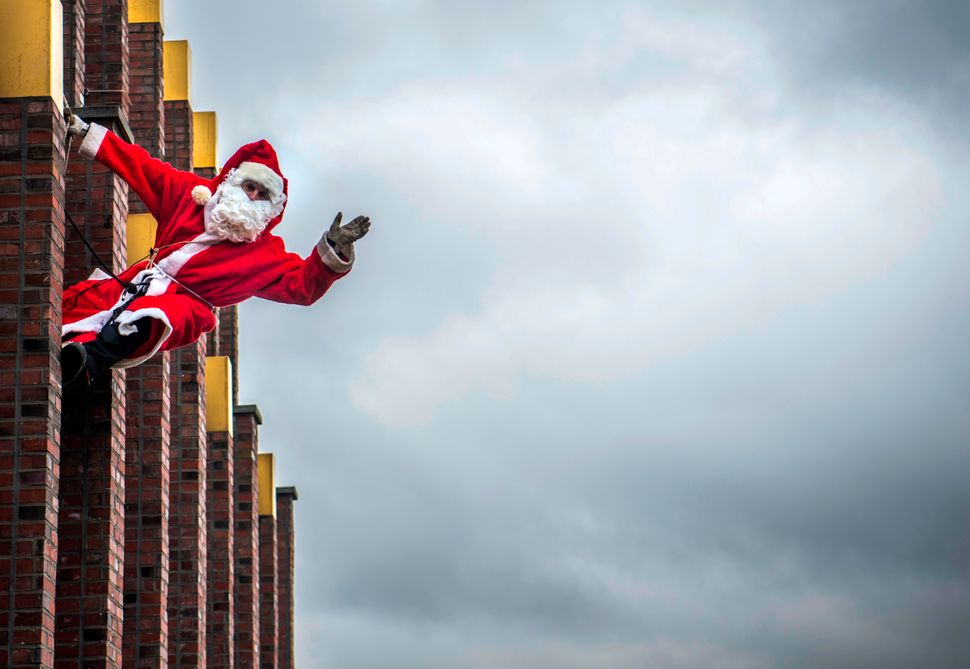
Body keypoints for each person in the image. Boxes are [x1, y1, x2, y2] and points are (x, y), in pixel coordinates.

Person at [60, 112, 371, 383]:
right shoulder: (187, 194)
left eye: (262, 194)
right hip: (140, 281)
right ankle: (62, 355)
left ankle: (89, 363)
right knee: (76, 307)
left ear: (271, 207)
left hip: (188, 307)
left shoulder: (266, 255)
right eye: (249, 186)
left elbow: (303, 285)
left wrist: (332, 250)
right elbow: (142, 167)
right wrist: (87, 133)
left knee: (153, 314)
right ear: (232, 182)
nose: (252, 196)